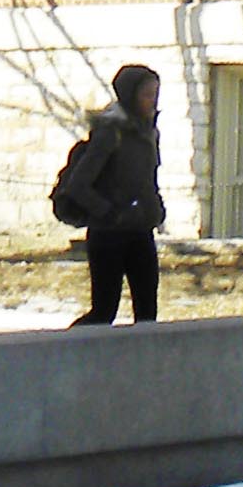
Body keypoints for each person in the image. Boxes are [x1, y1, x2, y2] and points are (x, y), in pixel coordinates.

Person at [67, 62, 165, 326]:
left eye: (156, 94)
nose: (152, 101)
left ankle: (142, 365)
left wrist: (156, 207)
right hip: (108, 235)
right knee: (103, 312)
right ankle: (67, 353)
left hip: (140, 231)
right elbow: (78, 185)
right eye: (147, 95)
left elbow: (147, 180)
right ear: (130, 96)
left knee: (147, 312)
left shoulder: (149, 133)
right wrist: (110, 212)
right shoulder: (110, 133)